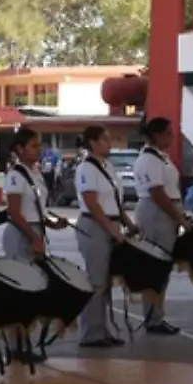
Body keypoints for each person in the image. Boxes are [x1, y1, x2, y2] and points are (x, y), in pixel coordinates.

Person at [132, 117, 191, 335]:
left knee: (163, 267)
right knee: (155, 266)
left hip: (167, 212)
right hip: (156, 213)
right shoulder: (149, 160)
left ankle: (157, 315)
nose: (172, 137)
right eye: (168, 133)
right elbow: (157, 193)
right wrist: (179, 217)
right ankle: (152, 317)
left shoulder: (161, 157)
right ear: (156, 135)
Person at [73, 126, 130, 349]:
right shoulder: (87, 168)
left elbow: (115, 200)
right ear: (93, 143)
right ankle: (91, 332)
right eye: (105, 139)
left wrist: (127, 223)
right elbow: (92, 203)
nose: (110, 143)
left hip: (110, 223)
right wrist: (111, 229)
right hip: (95, 225)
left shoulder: (107, 166)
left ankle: (102, 329)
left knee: (105, 283)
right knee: (96, 281)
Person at [1, 127, 55, 362]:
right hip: (21, 234)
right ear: (19, 149)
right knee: (21, 291)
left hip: (34, 230)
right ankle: (18, 346)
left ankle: (25, 344)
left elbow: (36, 210)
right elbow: (14, 212)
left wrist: (51, 224)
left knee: (32, 290)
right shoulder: (16, 175)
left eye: (39, 145)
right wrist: (34, 238)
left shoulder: (35, 173)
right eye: (33, 146)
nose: (38, 150)